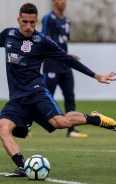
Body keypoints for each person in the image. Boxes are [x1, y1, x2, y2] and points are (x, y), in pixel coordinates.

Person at [0, 3, 116, 177]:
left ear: (36, 21)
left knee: (61, 123)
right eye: (25, 22)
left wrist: (95, 75)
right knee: (2, 128)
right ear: (18, 20)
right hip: (17, 99)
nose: (29, 27)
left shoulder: (42, 41)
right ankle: (23, 167)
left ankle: (94, 118)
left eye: (32, 23)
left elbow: (68, 60)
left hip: (37, 93)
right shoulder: (9, 35)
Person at [42, 0, 88, 138]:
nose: (62, 2)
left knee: (70, 97)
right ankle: (26, 126)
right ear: (53, 1)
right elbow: (46, 41)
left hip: (65, 65)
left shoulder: (67, 21)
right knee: (43, 98)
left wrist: (68, 56)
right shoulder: (48, 18)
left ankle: (71, 130)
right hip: (51, 64)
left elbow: (63, 43)